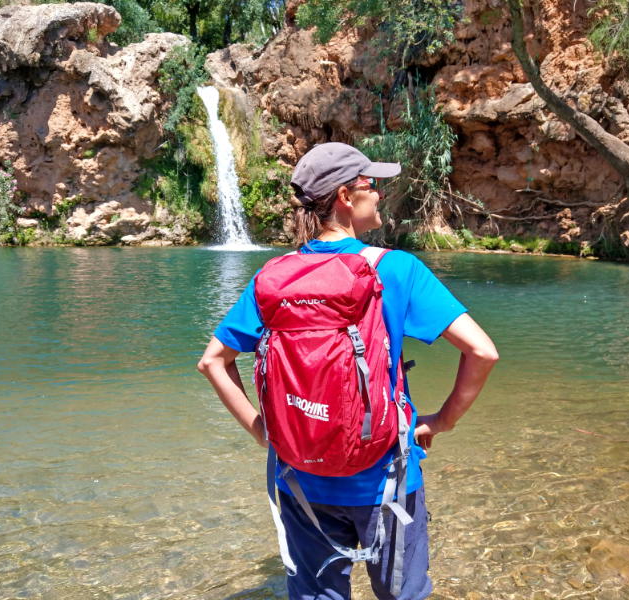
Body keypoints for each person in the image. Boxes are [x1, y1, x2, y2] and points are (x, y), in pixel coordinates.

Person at [198, 142, 498, 600]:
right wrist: (441, 421)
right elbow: (482, 352)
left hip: (299, 478)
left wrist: (263, 431)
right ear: (344, 196)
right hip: (388, 480)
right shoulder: (396, 269)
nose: (378, 194)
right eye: (370, 185)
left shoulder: (275, 277)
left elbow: (212, 361)